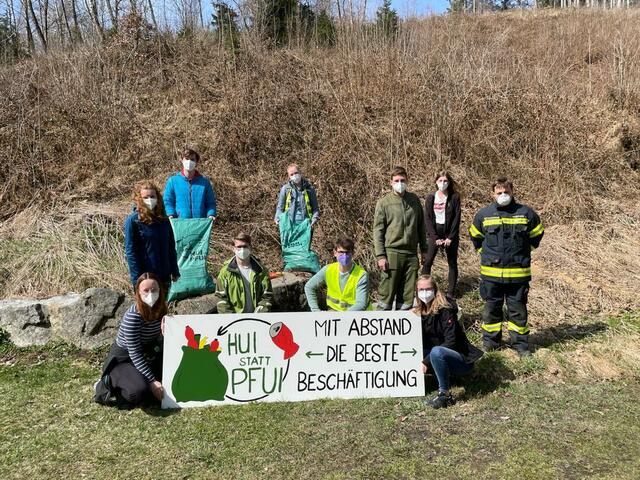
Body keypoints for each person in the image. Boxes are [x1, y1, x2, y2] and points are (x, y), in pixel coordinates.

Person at [469, 176, 544, 357]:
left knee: (518, 311)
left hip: (518, 274)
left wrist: (523, 252)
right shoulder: (483, 215)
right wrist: (486, 254)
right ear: (493, 194)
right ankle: (491, 343)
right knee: (491, 311)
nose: (503, 195)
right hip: (491, 275)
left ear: (512, 192)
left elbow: (537, 235)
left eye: (506, 192)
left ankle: (520, 345)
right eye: (499, 193)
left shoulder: (526, 213)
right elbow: (475, 237)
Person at [93, 273, 167, 409]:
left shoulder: (162, 310)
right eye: (146, 290)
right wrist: (152, 381)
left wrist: (164, 334)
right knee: (138, 392)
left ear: (160, 291)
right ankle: (108, 381)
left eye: (154, 290)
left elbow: (160, 341)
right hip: (124, 359)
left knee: (166, 385)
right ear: (137, 293)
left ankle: (141, 379)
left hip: (149, 355)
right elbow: (135, 353)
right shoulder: (132, 316)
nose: (151, 294)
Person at [416, 275, 483, 409]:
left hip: (461, 360)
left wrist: (426, 361)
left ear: (435, 290)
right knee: (415, 352)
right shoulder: (419, 311)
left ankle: (445, 395)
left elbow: (450, 342)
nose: (425, 293)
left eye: (428, 289)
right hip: (437, 357)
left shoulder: (446, 309)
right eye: (421, 290)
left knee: (436, 352)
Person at [373, 166, 428, 310]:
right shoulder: (384, 203)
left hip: (411, 254)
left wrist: (424, 250)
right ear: (390, 182)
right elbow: (378, 231)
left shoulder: (414, 200)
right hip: (392, 253)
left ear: (407, 181)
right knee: (387, 294)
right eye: (396, 180)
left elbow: (421, 226)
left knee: (407, 296)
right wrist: (380, 256)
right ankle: (383, 325)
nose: (400, 183)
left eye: (402, 180)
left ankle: (403, 327)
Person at [124, 180, 179, 290]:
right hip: (146, 277)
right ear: (139, 199)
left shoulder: (163, 220)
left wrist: (174, 270)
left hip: (164, 275)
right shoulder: (133, 221)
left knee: (163, 306)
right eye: (146, 197)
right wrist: (137, 280)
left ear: (157, 197)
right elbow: (131, 252)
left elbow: (171, 246)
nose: (150, 200)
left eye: (152, 196)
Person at [212, 232, 274, 313]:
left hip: (257, 320)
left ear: (250, 248)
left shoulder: (261, 271)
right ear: (233, 248)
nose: (242, 250)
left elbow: (267, 296)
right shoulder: (225, 272)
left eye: (245, 246)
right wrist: (230, 319)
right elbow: (221, 298)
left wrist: (259, 314)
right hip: (234, 321)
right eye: (239, 247)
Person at [422, 171, 461, 297]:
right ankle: (424, 289)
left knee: (452, 262)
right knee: (428, 261)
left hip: (450, 233)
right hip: (435, 232)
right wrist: (434, 237)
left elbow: (457, 218)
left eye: (445, 181)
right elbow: (427, 218)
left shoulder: (454, 197)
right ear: (436, 182)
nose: (442, 183)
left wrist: (450, 237)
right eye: (440, 181)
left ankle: (450, 292)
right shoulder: (431, 197)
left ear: (449, 183)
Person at [304, 236, 370, 311]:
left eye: (347, 252)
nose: (344, 256)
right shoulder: (328, 270)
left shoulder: (361, 275)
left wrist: (342, 318)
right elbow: (309, 287)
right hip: (334, 312)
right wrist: (315, 311)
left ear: (352, 253)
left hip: (357, 315)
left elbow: (361, 304)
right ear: (335, 253)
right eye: (341, 252)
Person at [163, 148, 217, 220]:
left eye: (192, 159)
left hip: (200, 223)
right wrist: (170, 213)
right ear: (182, 160)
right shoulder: (173, 181)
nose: (189, 161)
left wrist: (211, 214)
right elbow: (168, 201)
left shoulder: (205, 182)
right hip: (180, 223)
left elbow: (210, 202)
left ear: (196, 162)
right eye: (187, 159)